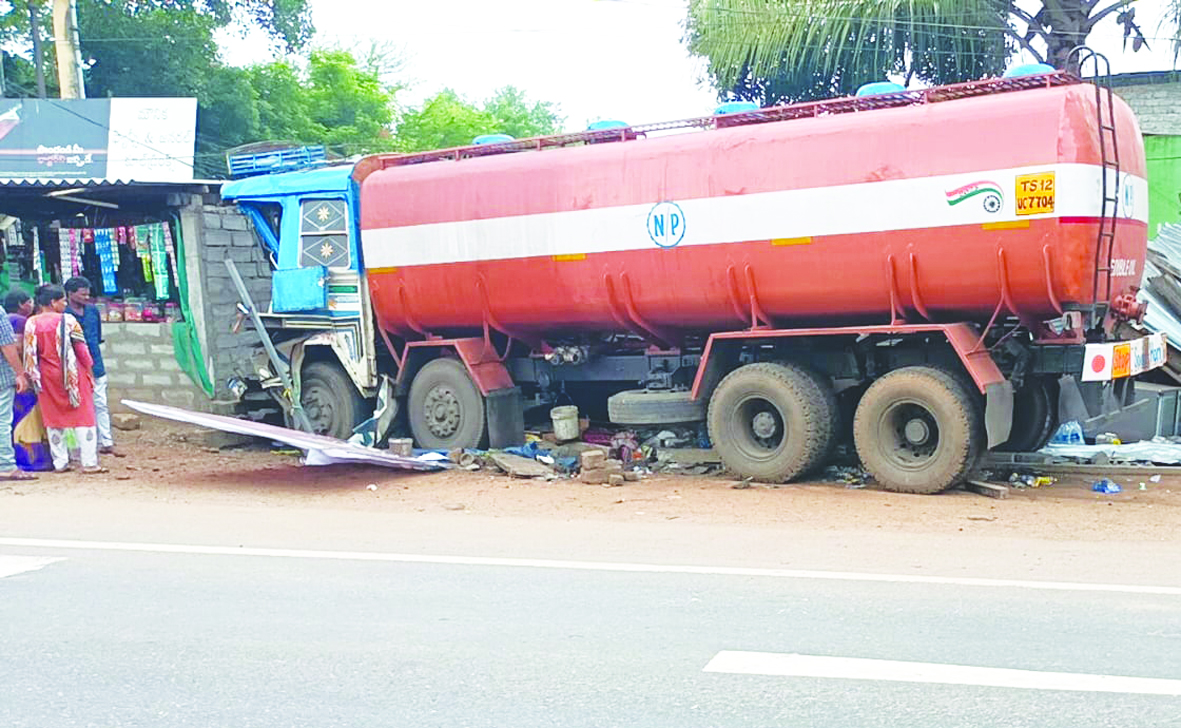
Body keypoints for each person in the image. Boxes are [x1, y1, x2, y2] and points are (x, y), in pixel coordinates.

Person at [24, 284, 105, 474]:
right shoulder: (68, 321)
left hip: (45, 376)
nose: (65, 304)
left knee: (53, 419)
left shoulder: (31, 323)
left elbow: (30, 354)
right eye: (62, 300)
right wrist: (90, 370)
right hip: (72, 373)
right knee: (84, 417)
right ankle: (89, 462)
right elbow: (81, 349)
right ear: (53, 302)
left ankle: (60, 462)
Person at [64, 276, 119, 456]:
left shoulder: (92, 311)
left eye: (88, 293)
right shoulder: (64, 314)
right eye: (82, 294)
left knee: (100, 403)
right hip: (73, 366)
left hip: (95, 364)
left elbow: (97, 337)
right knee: (76, 405)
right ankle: (81, 444)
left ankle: (106, 441)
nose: (86, 297)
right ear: (70, 294)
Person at [6, 289, 50, 472]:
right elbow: (18, 347)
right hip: (19, 375)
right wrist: (26, 371)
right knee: (27, 419)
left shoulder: (6, 318)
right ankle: (31, 460)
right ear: (21, 304)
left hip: (8, 375)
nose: (32, 305)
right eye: (30, 302)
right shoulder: (20, 321)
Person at [0, 296, 34, 480]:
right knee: (2, 421)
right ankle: (5, 465)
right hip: (2, 377)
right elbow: (6, 344)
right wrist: (20, 373)